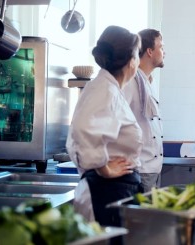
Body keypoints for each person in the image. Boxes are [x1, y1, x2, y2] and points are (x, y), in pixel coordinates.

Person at [66, 25, 143, 227]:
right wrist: (104, 169)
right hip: (106, 189)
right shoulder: (104, 89)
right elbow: (83, 129)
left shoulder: (109, 88)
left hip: (114, 189)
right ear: (131, 61)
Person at [123, 28, 165, 192]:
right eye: (161, 47)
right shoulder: (130, 81)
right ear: (149, 51)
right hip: (139, 167)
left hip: (151, 168)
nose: (164, 52)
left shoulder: (148, 82)